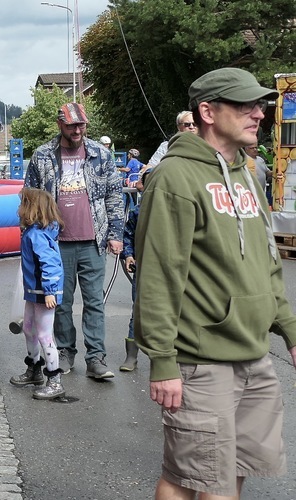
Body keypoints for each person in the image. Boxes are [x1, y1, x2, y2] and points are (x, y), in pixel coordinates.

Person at [136, 67, 296, 499]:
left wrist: (290, 331)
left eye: (259, 104)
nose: (259, 113)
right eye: (244, 105)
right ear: (207, 111)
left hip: (254, 354)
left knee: (234, 472)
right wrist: (163, 362)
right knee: (188, 479)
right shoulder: (174, 177)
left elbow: (266, 261)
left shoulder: (247, 174)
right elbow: (158, 276)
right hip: (200, 362)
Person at [24, 102, 123, 379]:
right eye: (71, 125)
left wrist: (115, 235)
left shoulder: (101, 154)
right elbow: (29, 196)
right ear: (60, 125)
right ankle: (65, 351)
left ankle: (96, 358)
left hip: (93, 240)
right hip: (55, 243)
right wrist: (31, 239)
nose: (78, 130)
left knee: (94, 301)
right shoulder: (43, 155)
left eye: (81, 125)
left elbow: (114, 196)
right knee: (61, 302)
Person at [9, 187, 65, 400]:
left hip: (43, 292)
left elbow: (49, 263)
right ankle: (34, 369)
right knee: (30, 328)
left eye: (23, 203)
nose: (19, 208)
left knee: (43, 334)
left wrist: (50, 291)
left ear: (31, 208)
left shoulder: (38, 236)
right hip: (35, 291)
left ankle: (54, 380)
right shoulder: (33, 232)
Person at [118, 169, 152, 373]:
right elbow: (127, 235)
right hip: (143, 268)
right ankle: (132, 356)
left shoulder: (174, 208)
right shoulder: (137, 212)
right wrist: (128, 255)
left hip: (168, 271)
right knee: (138, 311)